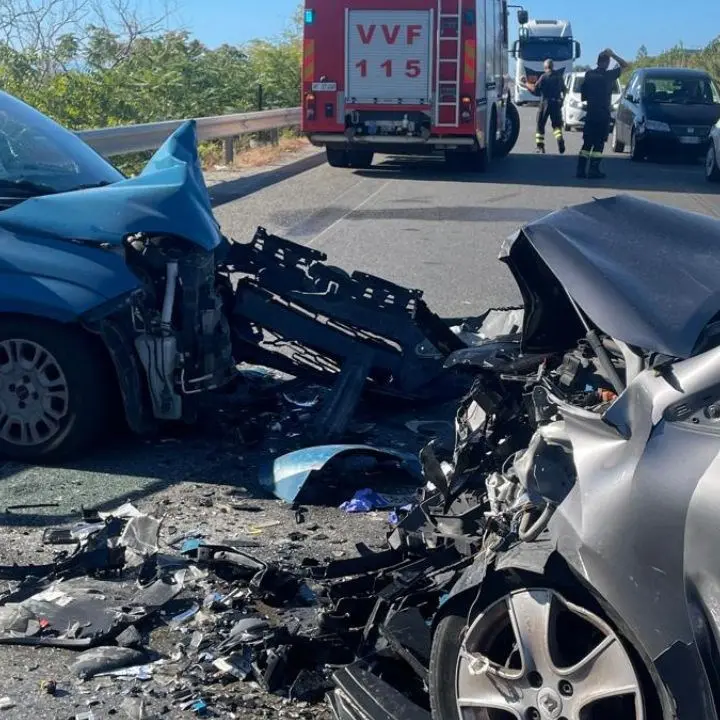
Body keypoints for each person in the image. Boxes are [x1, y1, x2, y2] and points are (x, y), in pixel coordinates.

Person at [577, 48, 628, 179]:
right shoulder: (609, 75)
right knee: (599, 144)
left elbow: (584, 94)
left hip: (590, 114)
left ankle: (581, 170)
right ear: (606, 62)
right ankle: (593, 170)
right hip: (602, 114)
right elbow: (625, 65)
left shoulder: (589, 75)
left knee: (587, 144)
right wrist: (614, 55)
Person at [520, 59, 566, 154]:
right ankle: (560, 139)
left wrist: (525, 83)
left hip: (545, 103)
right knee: (557, 126)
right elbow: (565, 90)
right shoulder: (559, 77)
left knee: (540, 124)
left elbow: (535, 90)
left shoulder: (543, 77)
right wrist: (562, 101)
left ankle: (540, 147)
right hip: (556, 103)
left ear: (545, 67)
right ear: (552, 67)